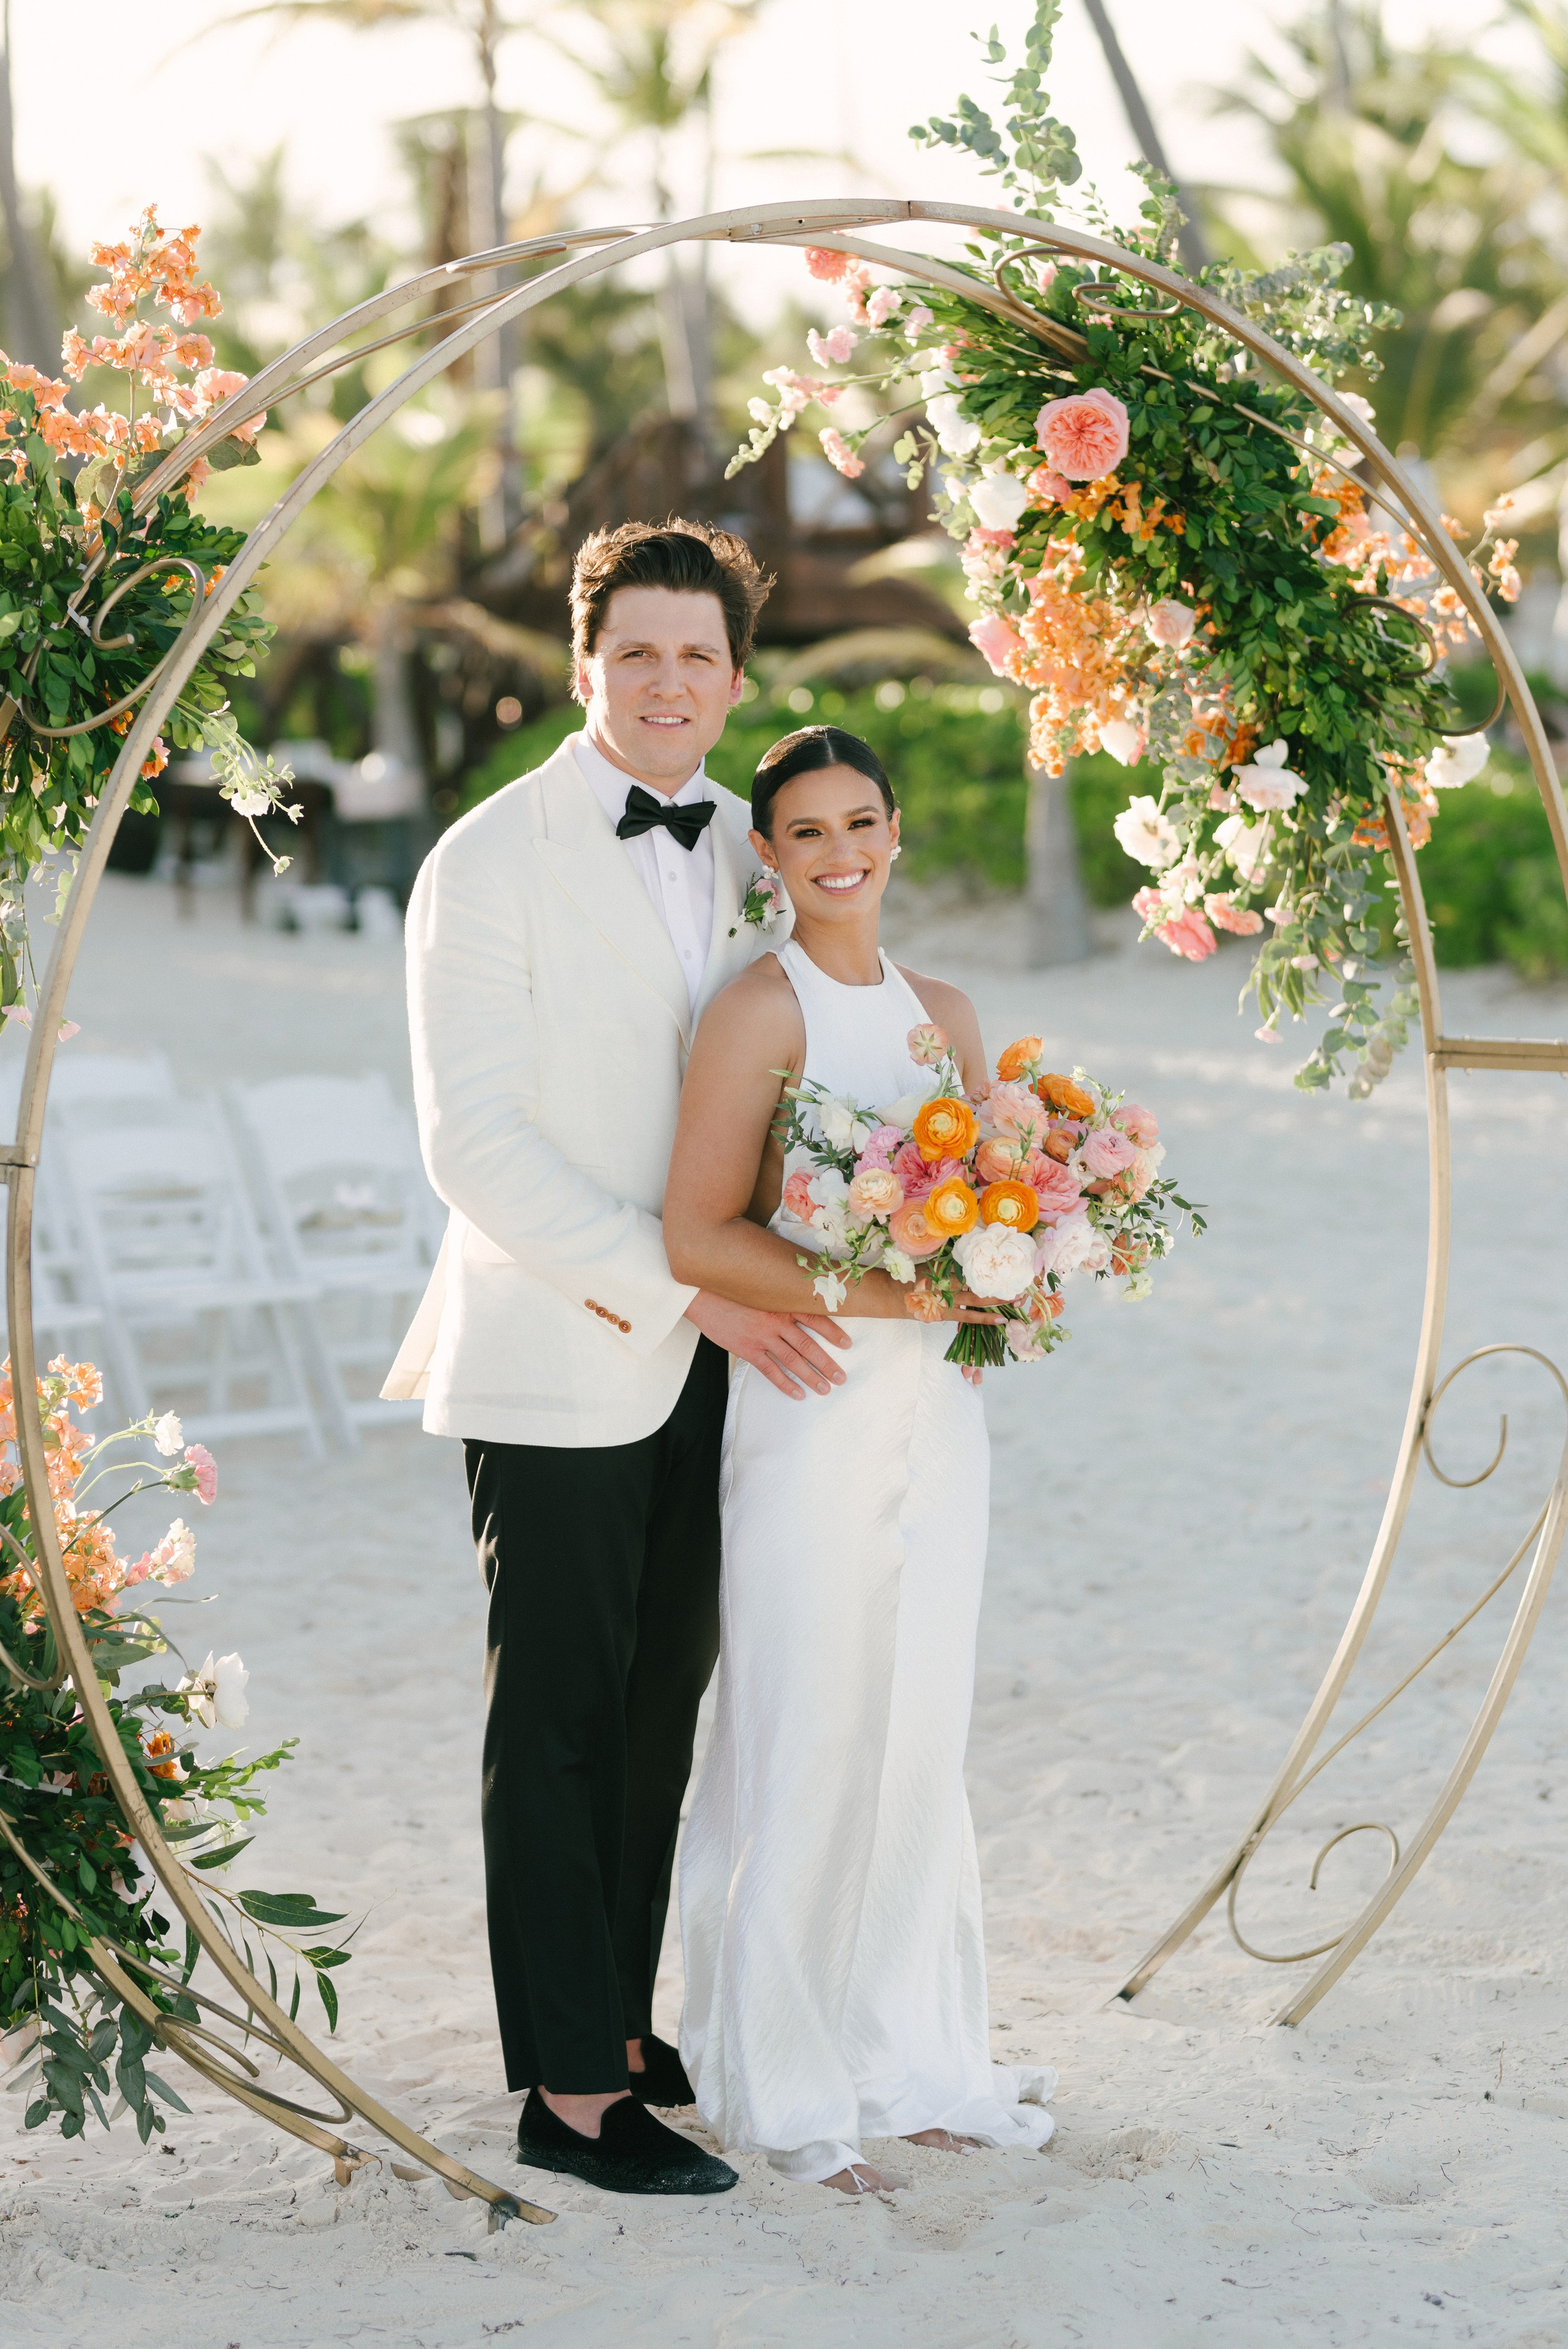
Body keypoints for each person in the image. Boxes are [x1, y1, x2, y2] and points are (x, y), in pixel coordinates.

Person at [386, 525, 918, 2198]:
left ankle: (616, 2019)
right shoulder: (489, 854)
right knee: (554, 1716)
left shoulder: (754, 855)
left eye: (698, 655)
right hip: (562, 1347)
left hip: (727, 1357)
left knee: (657, 1705)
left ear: (738, 679)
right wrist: (683, 1290)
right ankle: (568, 2095)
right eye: (638, 653)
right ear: (584, 664)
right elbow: (471, 1141)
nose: (669, 681)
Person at [663, 725, 1057, 2195]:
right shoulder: (755, 1014)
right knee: (807, 1722)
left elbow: (984, 1204)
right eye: (806, 833)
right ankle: (785, 2076)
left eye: (860, 824)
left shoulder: (943, 1012)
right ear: (767, 856)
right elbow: (697, 1234)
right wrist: (887, 1292)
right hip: (813, 1398)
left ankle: (908, 2054)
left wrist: (1028, 1264)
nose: (838, 854)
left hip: (937, 1421)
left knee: (914, 1730)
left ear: (895, 832)